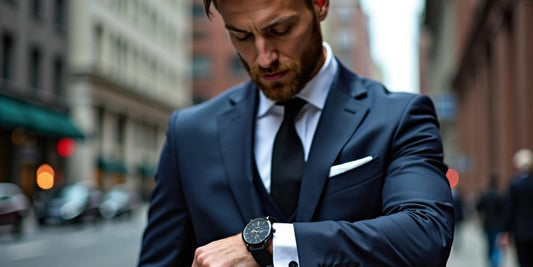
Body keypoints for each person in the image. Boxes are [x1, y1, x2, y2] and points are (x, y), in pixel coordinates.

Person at [138, 0, 455, 266]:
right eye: (242, 37)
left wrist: (274, 247)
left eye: (279, 30)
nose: (264, 58)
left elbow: (426, 234)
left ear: (319, 5)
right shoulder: (189, 133)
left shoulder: (399, 117)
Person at [502, 149, 533, 266]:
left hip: (521, 232)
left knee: (523, 261)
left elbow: (510, 209)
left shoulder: (514, 184)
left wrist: (506, 231)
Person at [476, 174, 505, 267]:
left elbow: (478, 207)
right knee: (496, 246)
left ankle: (490, 261)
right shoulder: (499, 196)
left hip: (487, 224)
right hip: (497, 225)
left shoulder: (485, 196)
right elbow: (504, 211)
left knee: (489, 245)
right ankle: (495, 263)